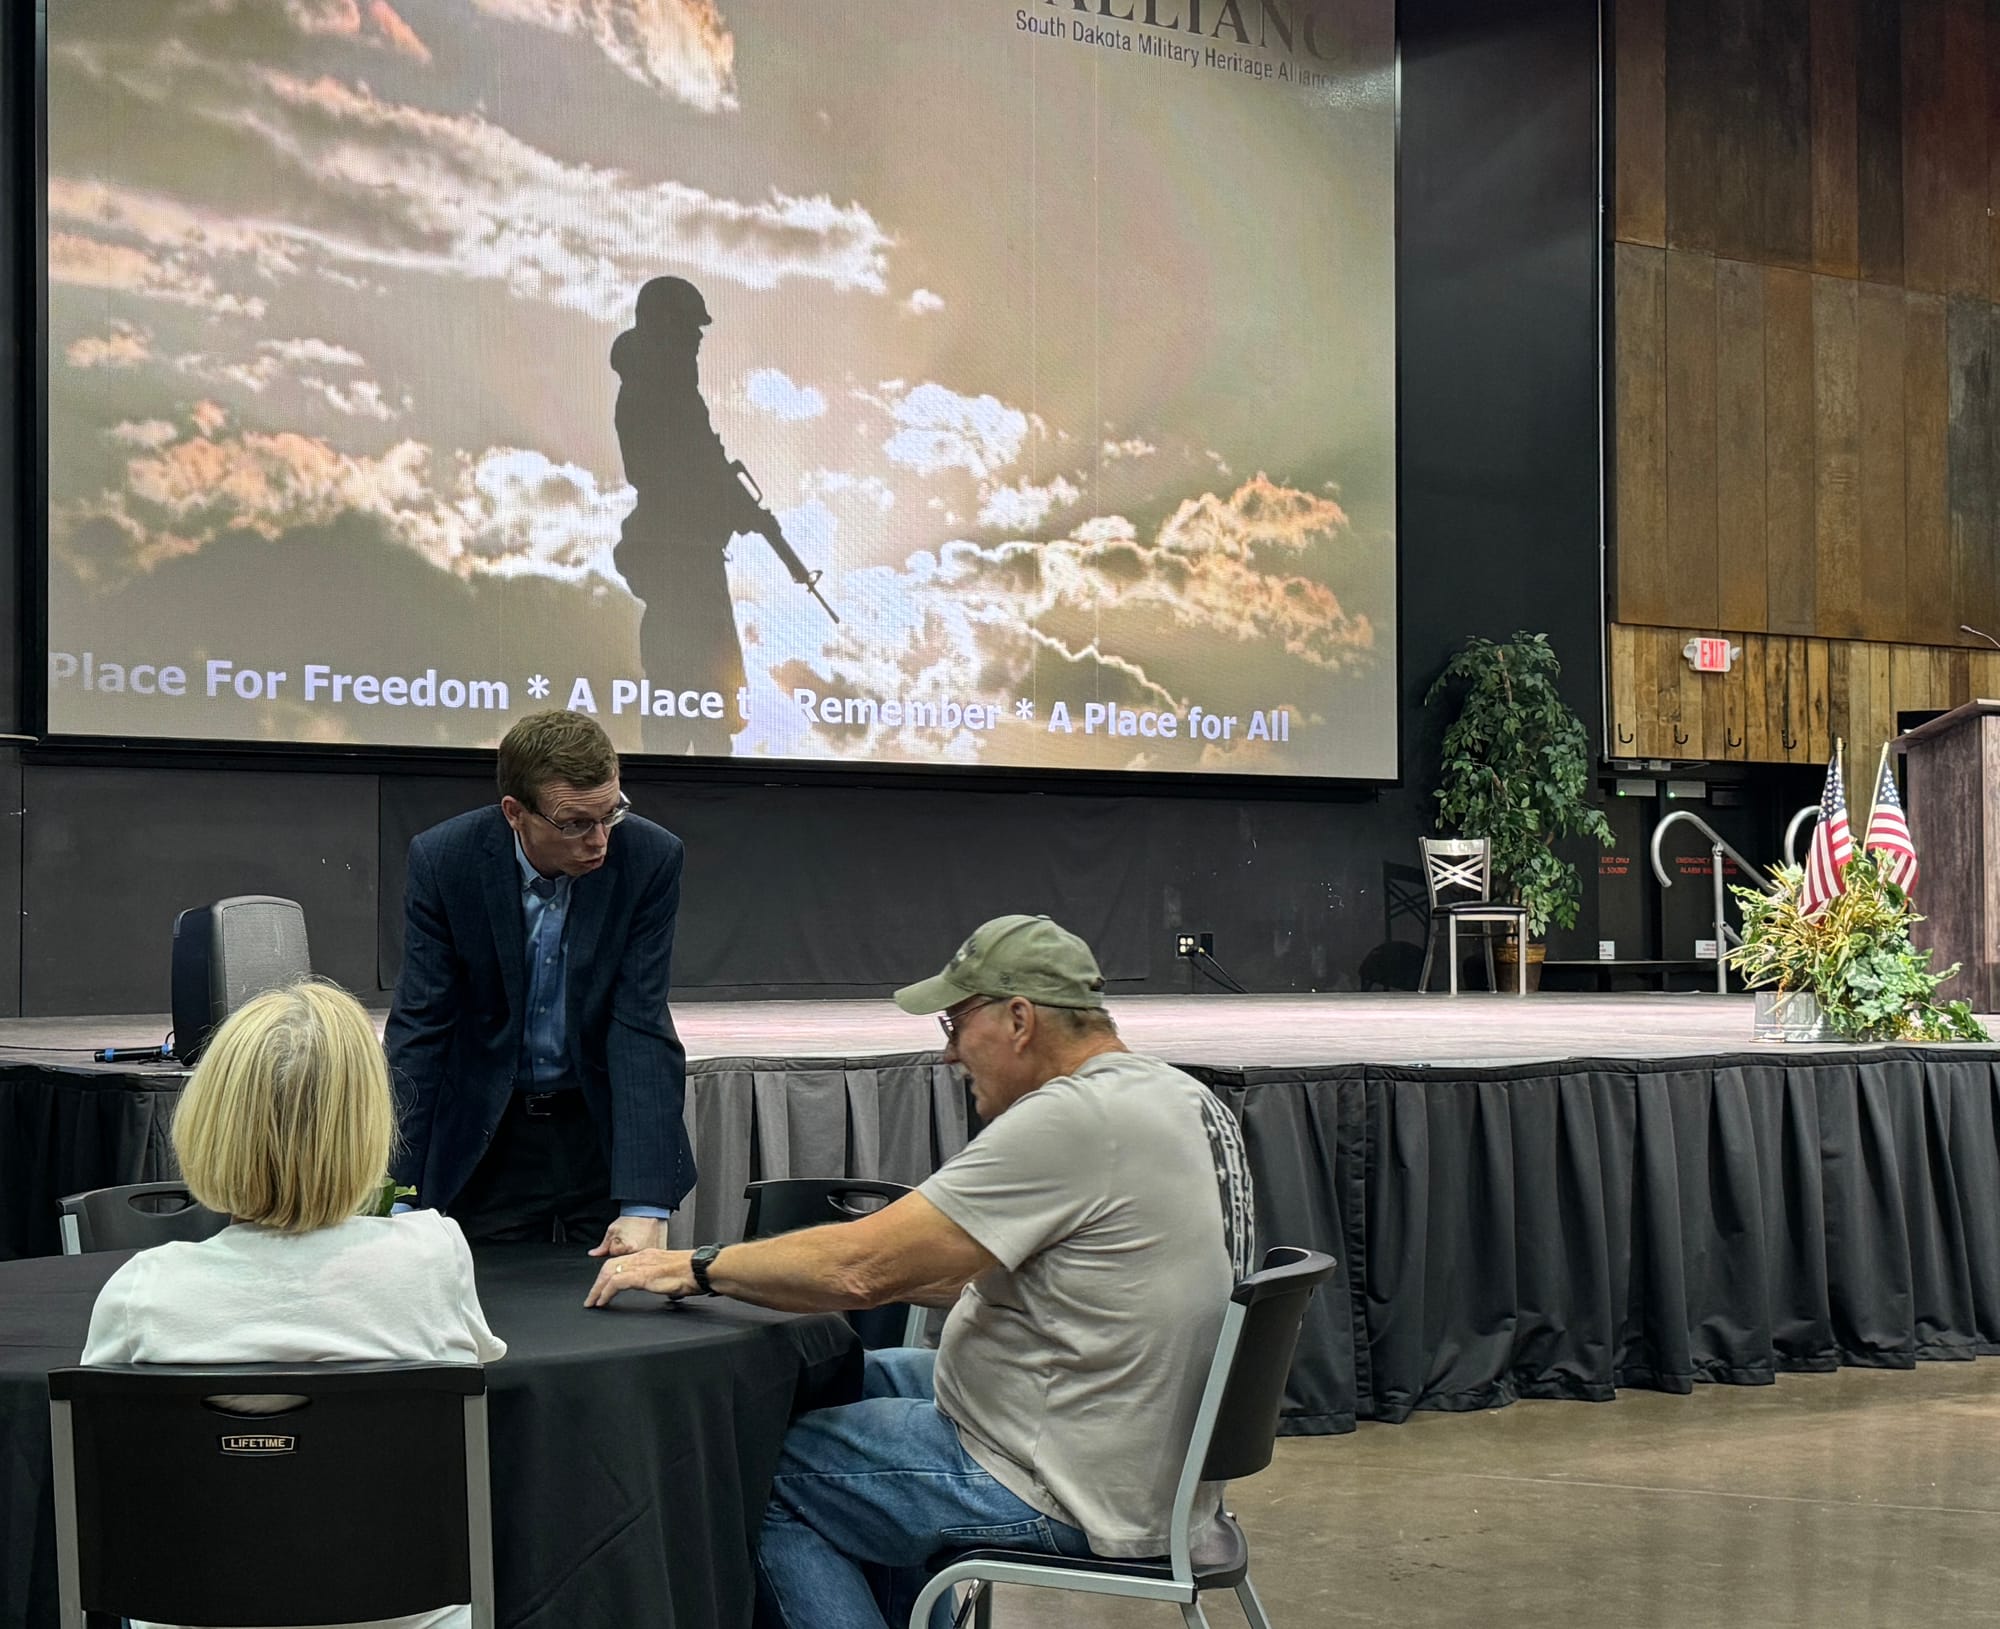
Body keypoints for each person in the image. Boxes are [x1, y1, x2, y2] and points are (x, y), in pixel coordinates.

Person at [586, 914, 1257, 1629]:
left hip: (1067, 1477)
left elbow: (860, 1269)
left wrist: (698, 1265)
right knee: (854, 1381)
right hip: (1137, 1451)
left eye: (955, 1025)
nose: (947, 1056)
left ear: (1019, 1019)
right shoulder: (1181, 1099)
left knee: (759, 1474)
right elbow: (941, 1270)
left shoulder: (1077, 1120)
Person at [83, 978, 506, 1629]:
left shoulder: (143, 1292)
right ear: (367, 1123)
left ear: (208, 1120)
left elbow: (105, 1477)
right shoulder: (433, 1256)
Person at [386, 708, 695, 1254]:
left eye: (611, 814)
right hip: (487, 1135)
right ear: (515, 813)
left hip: (597, 1131)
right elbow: (422, 1026)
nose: (599, 839)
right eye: (575, 822)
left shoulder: (649, 857)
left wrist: (644, 1205)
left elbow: (639, 1022)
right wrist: (397, 1189)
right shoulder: (445, 860)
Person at [612, 274, 749, 757]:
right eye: (689, 327)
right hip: (673, 553)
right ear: (665, 327)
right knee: (681, 689)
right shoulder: (654, 396)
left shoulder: (676, 396)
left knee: (711, 698)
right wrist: (720, 502)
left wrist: (729, 504)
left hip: (689, 551)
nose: (697, 339)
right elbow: (665, 475)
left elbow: (702, 465)